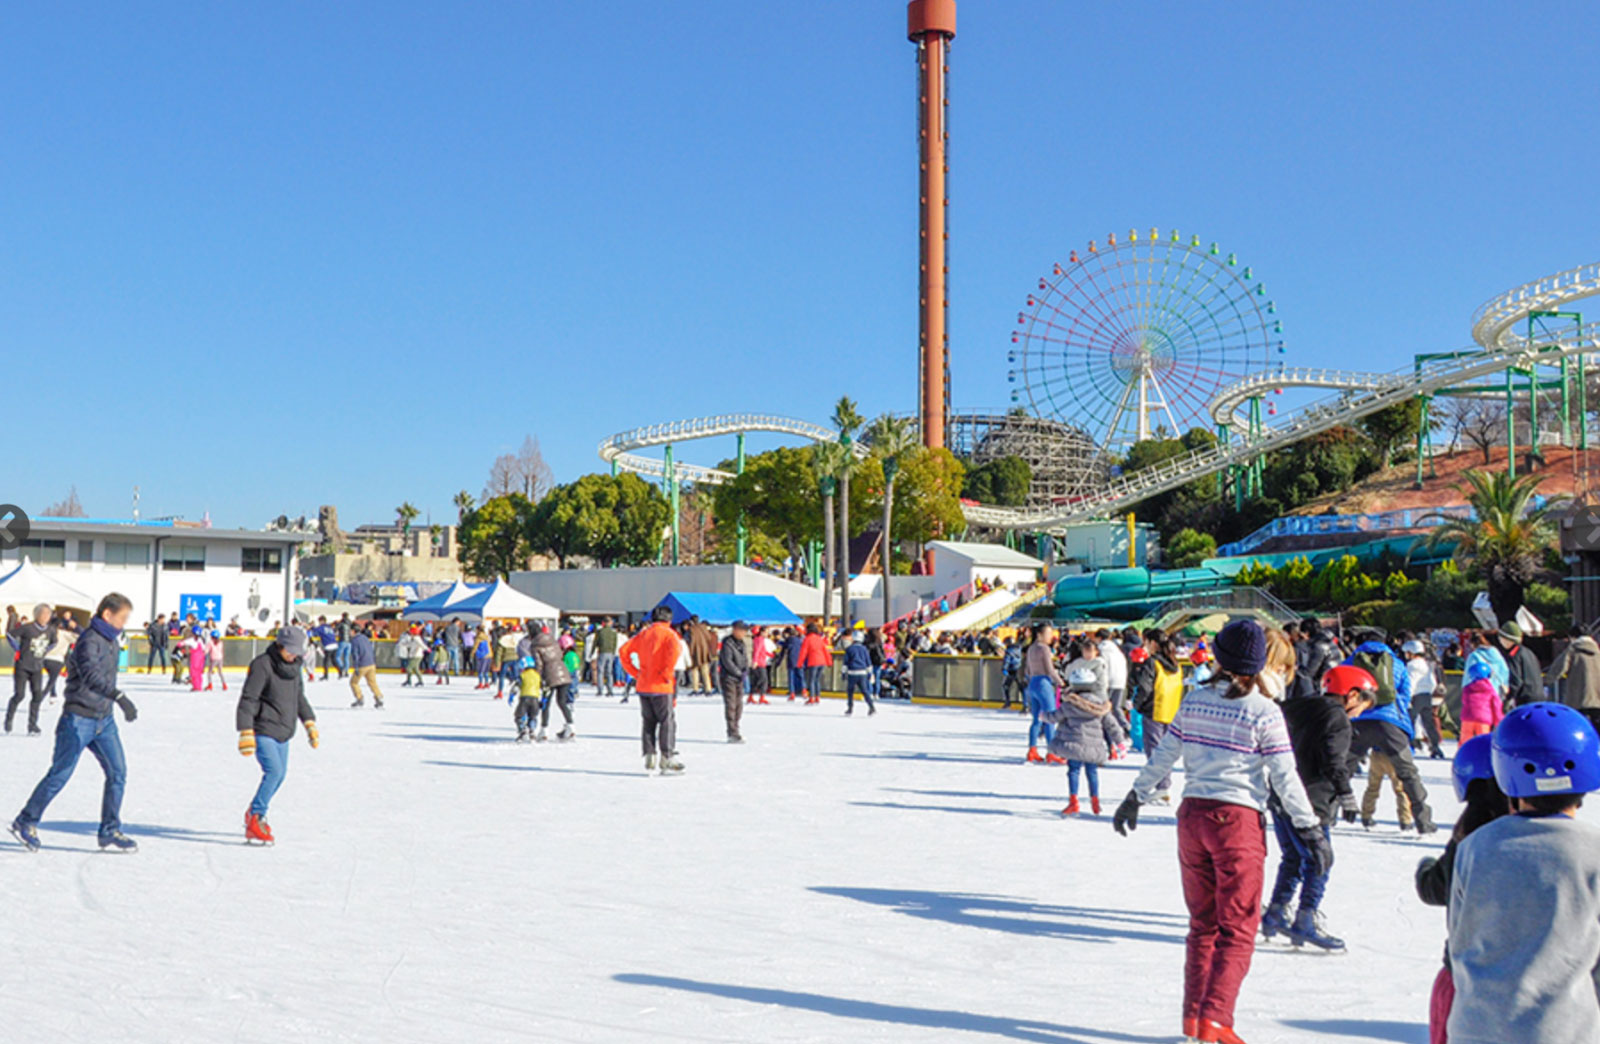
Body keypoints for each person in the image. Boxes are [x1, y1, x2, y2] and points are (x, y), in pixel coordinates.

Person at [1112, 619, 1329, 1044]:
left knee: (1203, 925)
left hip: (1192, 818)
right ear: (1260, 662)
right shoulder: (1264, 711)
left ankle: (1195, 1020)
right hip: (1237, 822)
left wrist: (1135, 796)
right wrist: (1311, 829)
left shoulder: (1194, 701)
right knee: (1238, 927)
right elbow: (1285, 778)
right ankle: (1216, 1019)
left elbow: (1165, 754)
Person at [1447, 702, 1600, 1043]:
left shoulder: (1475, 846)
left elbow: (1460, 937)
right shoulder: (1594, 850)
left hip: (1475, 1027)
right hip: (1561, 1031)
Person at [10, 593, 140, 853]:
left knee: (118, 773)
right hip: (77, 719)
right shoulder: (89, 641)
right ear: (107, 615)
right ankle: (25, 821)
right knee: (60, 774)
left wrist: (113, 703)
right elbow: (91, 676)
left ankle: (109, 830)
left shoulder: (112, 641)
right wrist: (119, 696)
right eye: (123, 617)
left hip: (104, 721)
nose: (124, 623)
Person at [1263, 663, 1372, 951]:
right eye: (1363, 703)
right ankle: (1305, 919)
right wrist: (1346, 796)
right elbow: (1334, 762)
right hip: (1313, 800)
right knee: (1320, 859)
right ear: (1351, 695)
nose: (1362, 711)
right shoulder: (1337, 718)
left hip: (1281, 792)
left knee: (1293, 857)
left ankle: (1276, 912)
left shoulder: (1298, 705)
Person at [1414, 735, 1509, 1044]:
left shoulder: (1468, 837)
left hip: (1461, 980)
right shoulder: (1531, 839)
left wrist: (1425, 868)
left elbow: (1434, 888)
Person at [1344, 629, 1436, 834]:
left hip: (1358, 721)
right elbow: (1404, 694)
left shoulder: (1352, 660)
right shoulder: (1397, 663)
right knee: (1408, 774)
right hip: (1390, 723)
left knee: (1341, 768)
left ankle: (1326, 814)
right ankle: (1423, 820)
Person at [235, 625, 318, 845]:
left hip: (284, 730)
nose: (293, 655)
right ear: (279, 645)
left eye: (296, 651)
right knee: (274, 771)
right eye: (289, 650)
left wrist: (309, 722)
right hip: (263, 728)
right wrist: (245, 730)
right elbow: (249, 699)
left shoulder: (295, 667)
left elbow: (298, 697)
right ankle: (256, 817)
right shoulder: (262, 665)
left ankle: (254, 811)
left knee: (280, 776)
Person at [1041, 661, 1120, 816]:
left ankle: (1073, 801)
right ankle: (1095, 801)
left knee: (1074, 771)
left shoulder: (1069, 704)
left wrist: (1043, 716)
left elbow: (1054, 717)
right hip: (1093, 746)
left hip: (1073, 745)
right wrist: (1119, 741)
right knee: (1092, 772)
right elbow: (1111, 724)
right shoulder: (1100, 705)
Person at [618, 605, 685, 774]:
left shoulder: (643, 634)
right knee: (666, 721)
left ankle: (649, 753)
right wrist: (666, 673)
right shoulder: (670, 635)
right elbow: (674, 653)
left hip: (644, 684)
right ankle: (667, 756)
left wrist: (636, 673)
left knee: (648, 722)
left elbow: (623, 651)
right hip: (662, 685)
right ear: (669, 620)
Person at [1131, 629, 1184, 802]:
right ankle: (1164, 786)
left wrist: (1137, 705)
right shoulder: (1177, 665)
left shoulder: (1152, 663)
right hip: (1172, 711)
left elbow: (1145, 687)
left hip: (1154, 711)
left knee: (1154, 751)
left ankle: (1162, 787)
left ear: (1153, 644)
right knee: (1166, 751)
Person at [6, 603, 53, 735]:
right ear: (37, 615)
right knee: (20, 695)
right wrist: (18, 648)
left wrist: (45, 651)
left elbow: (54, 641)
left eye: (48, 614)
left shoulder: (50, 630)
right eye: (43, 614)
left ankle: (32, 725)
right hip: (23, 666)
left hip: (37, 667)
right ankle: (9, 720)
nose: (46, 617)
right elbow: (10, 635)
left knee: (37, 695)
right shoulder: (27, 628)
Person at [1024, 622, 1066, 765]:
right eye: (1048, 634)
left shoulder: (1031, 648)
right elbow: (1050, 669)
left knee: (1036, 719)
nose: (1051, 636)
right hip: (1044, 684)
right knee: (1050, 719)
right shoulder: (1044, 648)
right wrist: (1060, 682)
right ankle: (1052, 752)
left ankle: (1032, 749)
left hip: (1033, 683)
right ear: (1040, 634)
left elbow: (1028, 670)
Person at [1546, 624, 1600, 731]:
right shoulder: (1598, 652)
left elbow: (1558, 670)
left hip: (1578, 700)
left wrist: (1544, 681)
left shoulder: (1573, 650)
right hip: (1598, 700)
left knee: (1580, 729)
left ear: (1573, 637)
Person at [1401, 639, 1445, 759]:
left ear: (1411, 652)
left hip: (1416, 696)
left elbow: (1411, 682)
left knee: (1409, 720)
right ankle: (1435, 746)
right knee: (1428, 722)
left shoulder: (1411, 665)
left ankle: (1409, 744)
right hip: (1427, 695)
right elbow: (1432, 681)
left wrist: (1407, 698)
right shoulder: (1427, 664)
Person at [532, 624, 574, 742]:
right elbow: (560, 654)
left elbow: (539, 664)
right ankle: (571, 726)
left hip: (549, 676)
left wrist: (538, 678)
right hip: (563, 672)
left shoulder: (535, 645)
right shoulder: (553, 641)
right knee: (562, 702)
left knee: (546, 703)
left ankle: (544, 730)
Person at [1495, 621, 1544, 709]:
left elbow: (1516, 681)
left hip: (1525, 699)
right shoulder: (1528, 652)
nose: (1500, 641)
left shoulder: (1514, 655)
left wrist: (1508, 698)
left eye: (1501, 637)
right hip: (1539, 696)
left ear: (1508, 639)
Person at [719, 620, 751, 742]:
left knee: (739, 705)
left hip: (739, 678)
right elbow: (727, 661)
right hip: (729, 678)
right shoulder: (728, 643)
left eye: (744, 631)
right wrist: (737, 672)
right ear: (735, 630)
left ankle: (736, 727)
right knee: (731, 705)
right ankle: (732, 731)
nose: (743, 633)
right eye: (741, 630)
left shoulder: (741, 643)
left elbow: (744, 658)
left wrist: (745, 671)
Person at [348, 624, 384, 709]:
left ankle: (359, 698)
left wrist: (356, 666)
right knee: (372, 682)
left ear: (353, 631)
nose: (349, 633)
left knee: (353, 682)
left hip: (362, 665)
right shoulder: (365, 638)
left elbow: (355, 655)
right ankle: (378, 697)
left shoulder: (354, 641)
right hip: (371, 663)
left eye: (350, 631)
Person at [842, 629, 876, 717]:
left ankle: (850, 708)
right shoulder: (864, 649)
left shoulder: (849, 649)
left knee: (850, 691)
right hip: (862, 673)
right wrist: (870, 673)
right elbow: (868, 662)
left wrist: (843, 673)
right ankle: (871, 706)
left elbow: (845, 662)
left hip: (852, 673)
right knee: (865, 691)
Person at [1097, 628, 1129, 721]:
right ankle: (1124, 726)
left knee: (1104, 707)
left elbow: (1101, 665)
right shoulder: (1117, 649)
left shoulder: (1101, 649)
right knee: (1116, 707)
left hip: (1108, 681)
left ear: (1099, 638)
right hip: (1120, 681)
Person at [41, 617, 75, 703]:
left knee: (52, 679)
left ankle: (53, 694)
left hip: (45, 659)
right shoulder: (65, 634)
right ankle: (40, 698)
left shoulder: (46, 633)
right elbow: (80, 637)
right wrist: (76, 627)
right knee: (52, 680)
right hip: (57, 660)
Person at [799, 622, 831, 706]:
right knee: (817, 680)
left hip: (813, 661)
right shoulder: (819, 638)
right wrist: (829, 662)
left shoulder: (807, 639)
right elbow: (825, 651)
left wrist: (799, 663)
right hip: (822, 661)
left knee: (812, 680)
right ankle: (817, 697)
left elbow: (803, 652)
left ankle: (812, 698)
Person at [513, 652, 543, 742]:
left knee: (519, 715)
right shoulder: (538, 675)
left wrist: (512, 695)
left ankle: (522, 731)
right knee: (533, 716)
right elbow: (544, 687)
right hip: (535, 698)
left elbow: (517, 685)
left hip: (524, 698)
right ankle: (532, 731)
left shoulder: (523, 675)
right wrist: (544, 699)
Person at [593, 617, 619, 697]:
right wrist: (613, 653)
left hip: (602, 652)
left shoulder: (600, 632)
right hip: (610, 653)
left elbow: (595, 643)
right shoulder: (614, 632)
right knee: (609, 672)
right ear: (610, 623)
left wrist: (592, 652)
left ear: (603, 623)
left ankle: (600, 690)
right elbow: (615, 644)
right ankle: (610, 690)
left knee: (600, 672)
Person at [748, 625, 773, 705]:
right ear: (761, 632)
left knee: (755, 680)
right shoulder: (760, 640)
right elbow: (757, 651)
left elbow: (762, 650)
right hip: (760, 663)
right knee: (764, 680)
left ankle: (751, 696)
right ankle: (762, 697)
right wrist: (755, 661)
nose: (767, 634)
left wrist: (770, 654)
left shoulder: (756, 639)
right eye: (766, 632)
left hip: (759, 662)